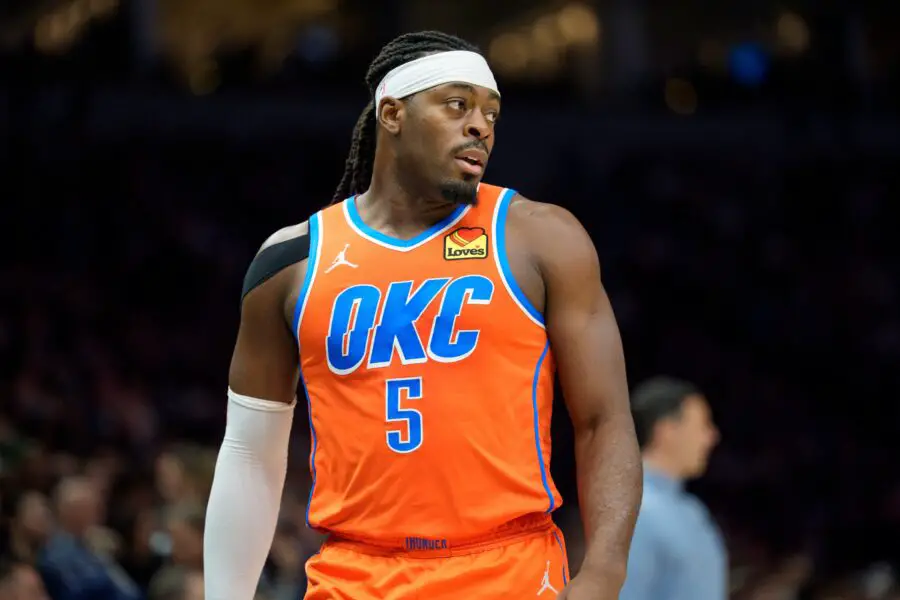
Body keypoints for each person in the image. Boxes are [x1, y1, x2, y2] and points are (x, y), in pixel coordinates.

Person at [203, 30, 642, 600]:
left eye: (491, 113)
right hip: (353, 573)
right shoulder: (291, 261)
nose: (480, 125)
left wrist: (605, 572)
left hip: (507, 568)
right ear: (392, 114)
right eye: (458, 105)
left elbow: (604, 419)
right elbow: (249, 453)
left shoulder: (541, 237)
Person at [619, 376, 726, 600]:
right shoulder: (634, 511)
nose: (712, 437)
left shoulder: (691, 510)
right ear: (667, 430)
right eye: (703, 425)